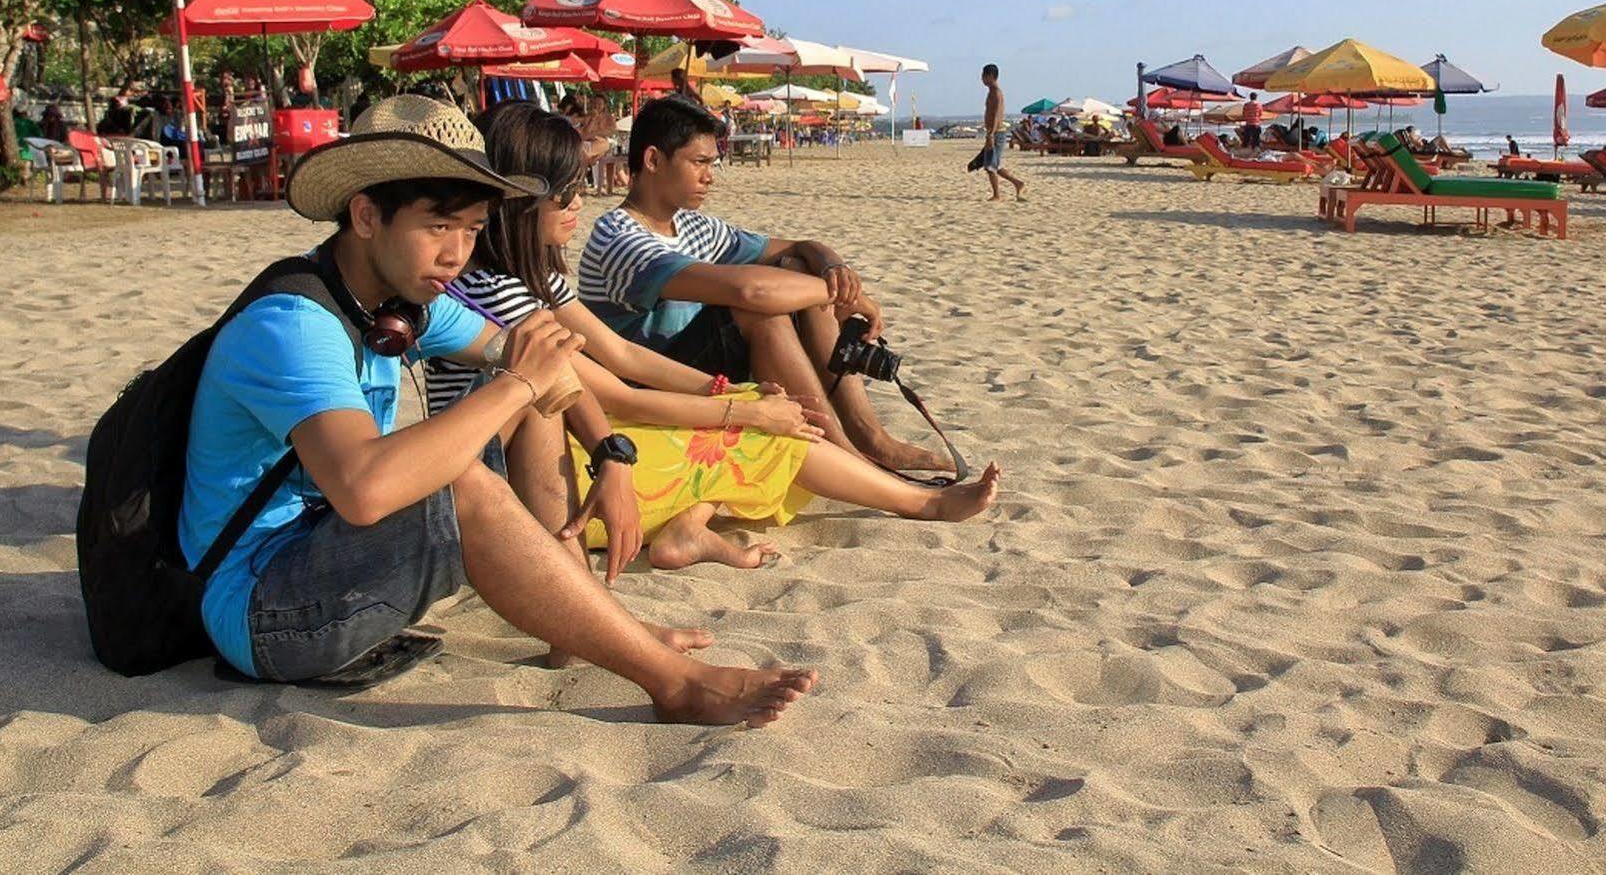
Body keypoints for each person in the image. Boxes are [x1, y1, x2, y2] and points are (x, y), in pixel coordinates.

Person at [177, 94, 813, 726]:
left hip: (325, 552)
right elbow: (363, 492)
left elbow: (549, 362)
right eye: (438, 226)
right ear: (367, 216)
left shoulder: (398, 301)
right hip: (265, 612)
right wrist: (515, 382)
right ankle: (675, 684)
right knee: (464, 481)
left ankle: (585, 621)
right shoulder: (295, 324)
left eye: (474, 230)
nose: (456, 254)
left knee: (532, 408)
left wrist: (610, 455)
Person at [428, 104, 1000, 568]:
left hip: (579, 427)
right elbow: (618, 387)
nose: (580, 201)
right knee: (749, 431)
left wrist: (731, 392)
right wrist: (738, 410)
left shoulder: (537, 278)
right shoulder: (536, 274)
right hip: (520, 472)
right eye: (567, 190)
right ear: (522, 200)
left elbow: (617, 353)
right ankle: (921, 502)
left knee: (761, 399)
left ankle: (701, 522)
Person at [579, 96, 955, 477]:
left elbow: (799, 247)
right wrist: (847, 294)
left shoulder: (693, 226)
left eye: (713, 163)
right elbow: (750, 293)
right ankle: (846, 454)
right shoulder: (619, 236)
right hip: (647, 385)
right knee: (762, 311)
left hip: (692, 369)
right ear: (654, 160)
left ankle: (870, 437)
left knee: (795, 268)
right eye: (699, 163)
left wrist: (832, 266)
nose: (710, 176)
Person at [978, 63, 1026, 202]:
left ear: (991, 76)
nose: (982, 79)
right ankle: (1017, 183)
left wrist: (991, 134)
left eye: (984, 76)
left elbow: (997, 115)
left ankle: (998, 194)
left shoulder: (997, 93)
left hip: (997, 133)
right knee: (992, 165)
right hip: (993, 132)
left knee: (991, 166)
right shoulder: (991, 92)